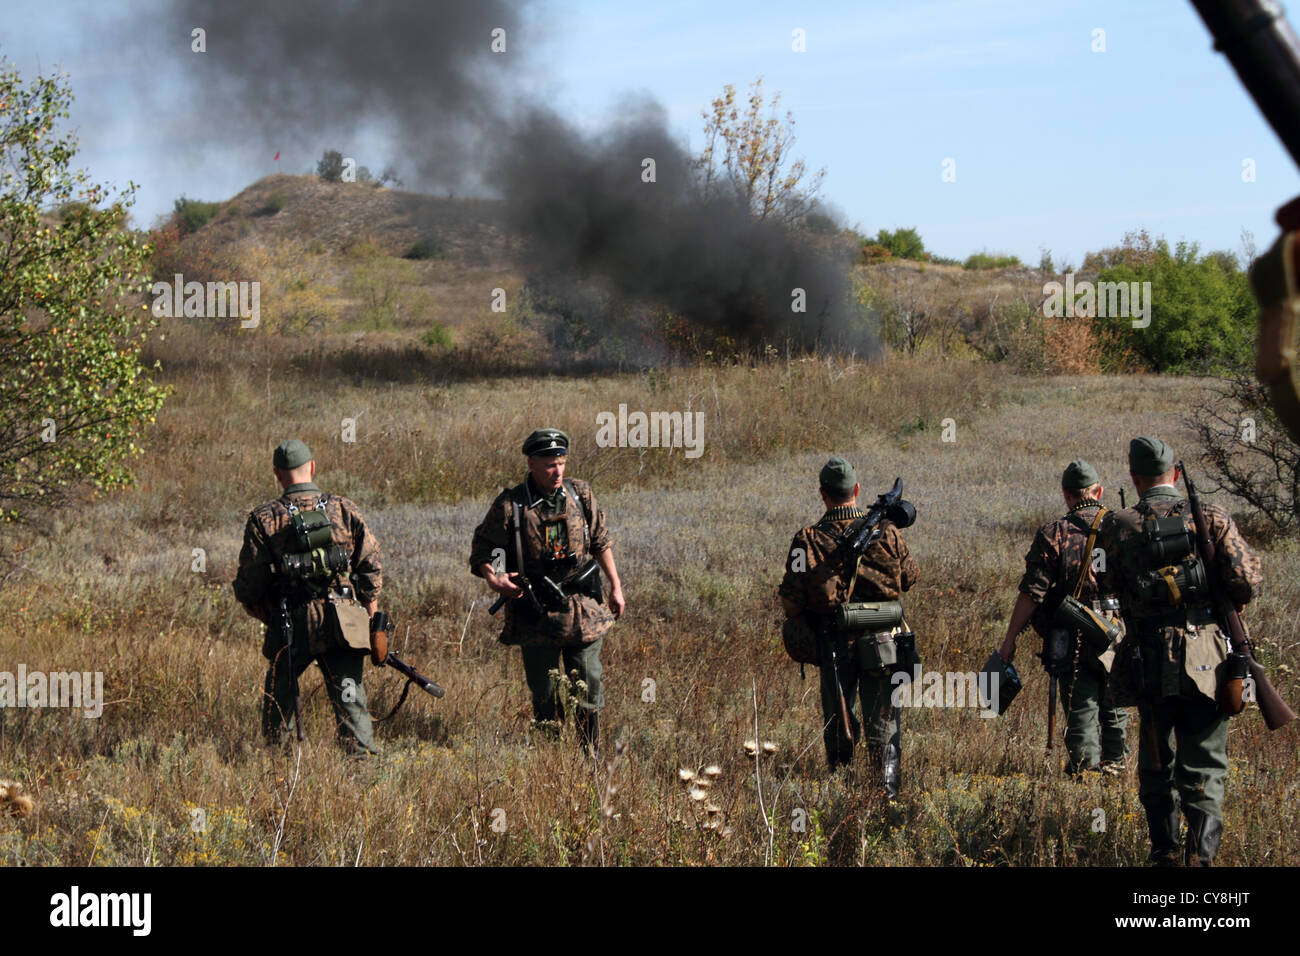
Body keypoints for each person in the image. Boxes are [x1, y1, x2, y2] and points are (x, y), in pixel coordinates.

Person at [1097, 437, 1262, 866]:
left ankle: (1163, 853)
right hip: (1206, 658)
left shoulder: (1118, 524)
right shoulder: (1209, 516)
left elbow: (1106, 585)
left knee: (1155, 761)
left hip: (1147, 659)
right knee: (1204, 762)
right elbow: (1247, 581)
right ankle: (1200, 858)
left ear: (1134, 478)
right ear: (1174, 473)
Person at [469, 428, 624, 755]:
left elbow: (600, 541)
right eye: (550, 464)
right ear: (531, 463)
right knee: (544, 691)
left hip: (583, 610)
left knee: (588, 682)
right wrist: (495, 577)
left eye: (562, 463)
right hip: (535, 612)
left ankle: (589, 758)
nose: (558, 471)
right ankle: (550, 758)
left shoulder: (580, 494)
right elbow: (488, 547)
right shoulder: (511, 504)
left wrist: (616, 586)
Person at [778, 457, 919, 794]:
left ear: (823, 494)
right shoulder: (886, 532)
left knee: (837, 722)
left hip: (833, 645)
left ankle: (840, 788)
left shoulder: (806, 541)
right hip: (883, 643)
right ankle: (887, 796)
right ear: (857, 490)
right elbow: (910, 577)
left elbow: (791, 602)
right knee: (884, 725)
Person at [233, 439, 382, 754]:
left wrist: (263, 610)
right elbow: (370, 566)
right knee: (350, 696)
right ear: (312, 468)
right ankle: (363, 768)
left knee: (280, 693)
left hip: (291, 620)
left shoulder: (264, 517)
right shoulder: (344, 508)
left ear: (277, 474)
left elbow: (251, 582)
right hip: (345, 618)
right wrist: (371, 618)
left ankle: (282, 767)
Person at [1000, 460, 1128, 775]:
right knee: (1115, 705)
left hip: (1076, 632)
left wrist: (1010, 639)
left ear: (1066, 494)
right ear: (1099, 491)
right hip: (1119, 630)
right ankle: (1115, 773)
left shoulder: (1055, 532)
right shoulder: (1124, 526)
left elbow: (1033, 593)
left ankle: (1086, 776)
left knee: (1081, 704)